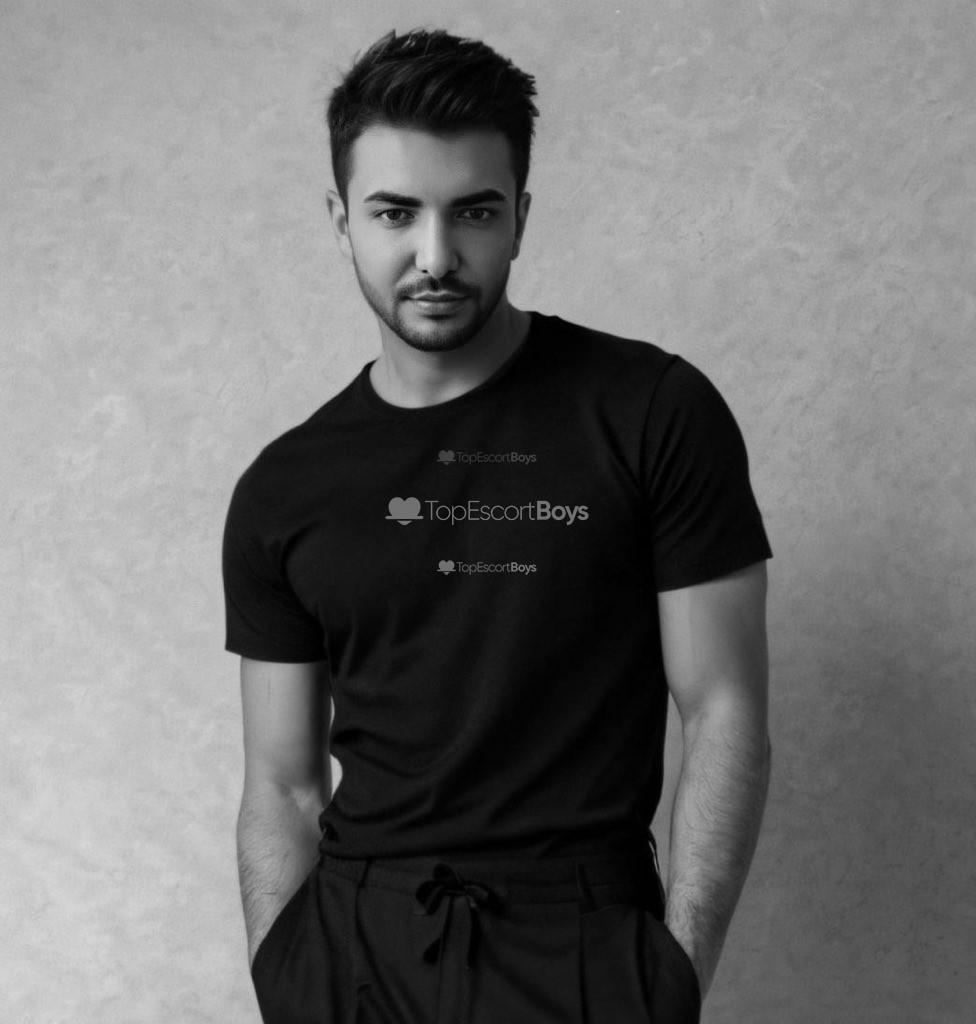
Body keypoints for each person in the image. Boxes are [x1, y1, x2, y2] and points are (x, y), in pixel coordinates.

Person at [222, 26, 773, 1024]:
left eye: (473, 211)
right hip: (353, 950)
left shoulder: (651, 412)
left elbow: (723, 707)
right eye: (395, 212)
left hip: (583, 942)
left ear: (520, 216)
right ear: (341, 220)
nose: (435, 256)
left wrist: (673, 975)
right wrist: (285, 977)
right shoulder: (284, 486)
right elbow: (282, 782)